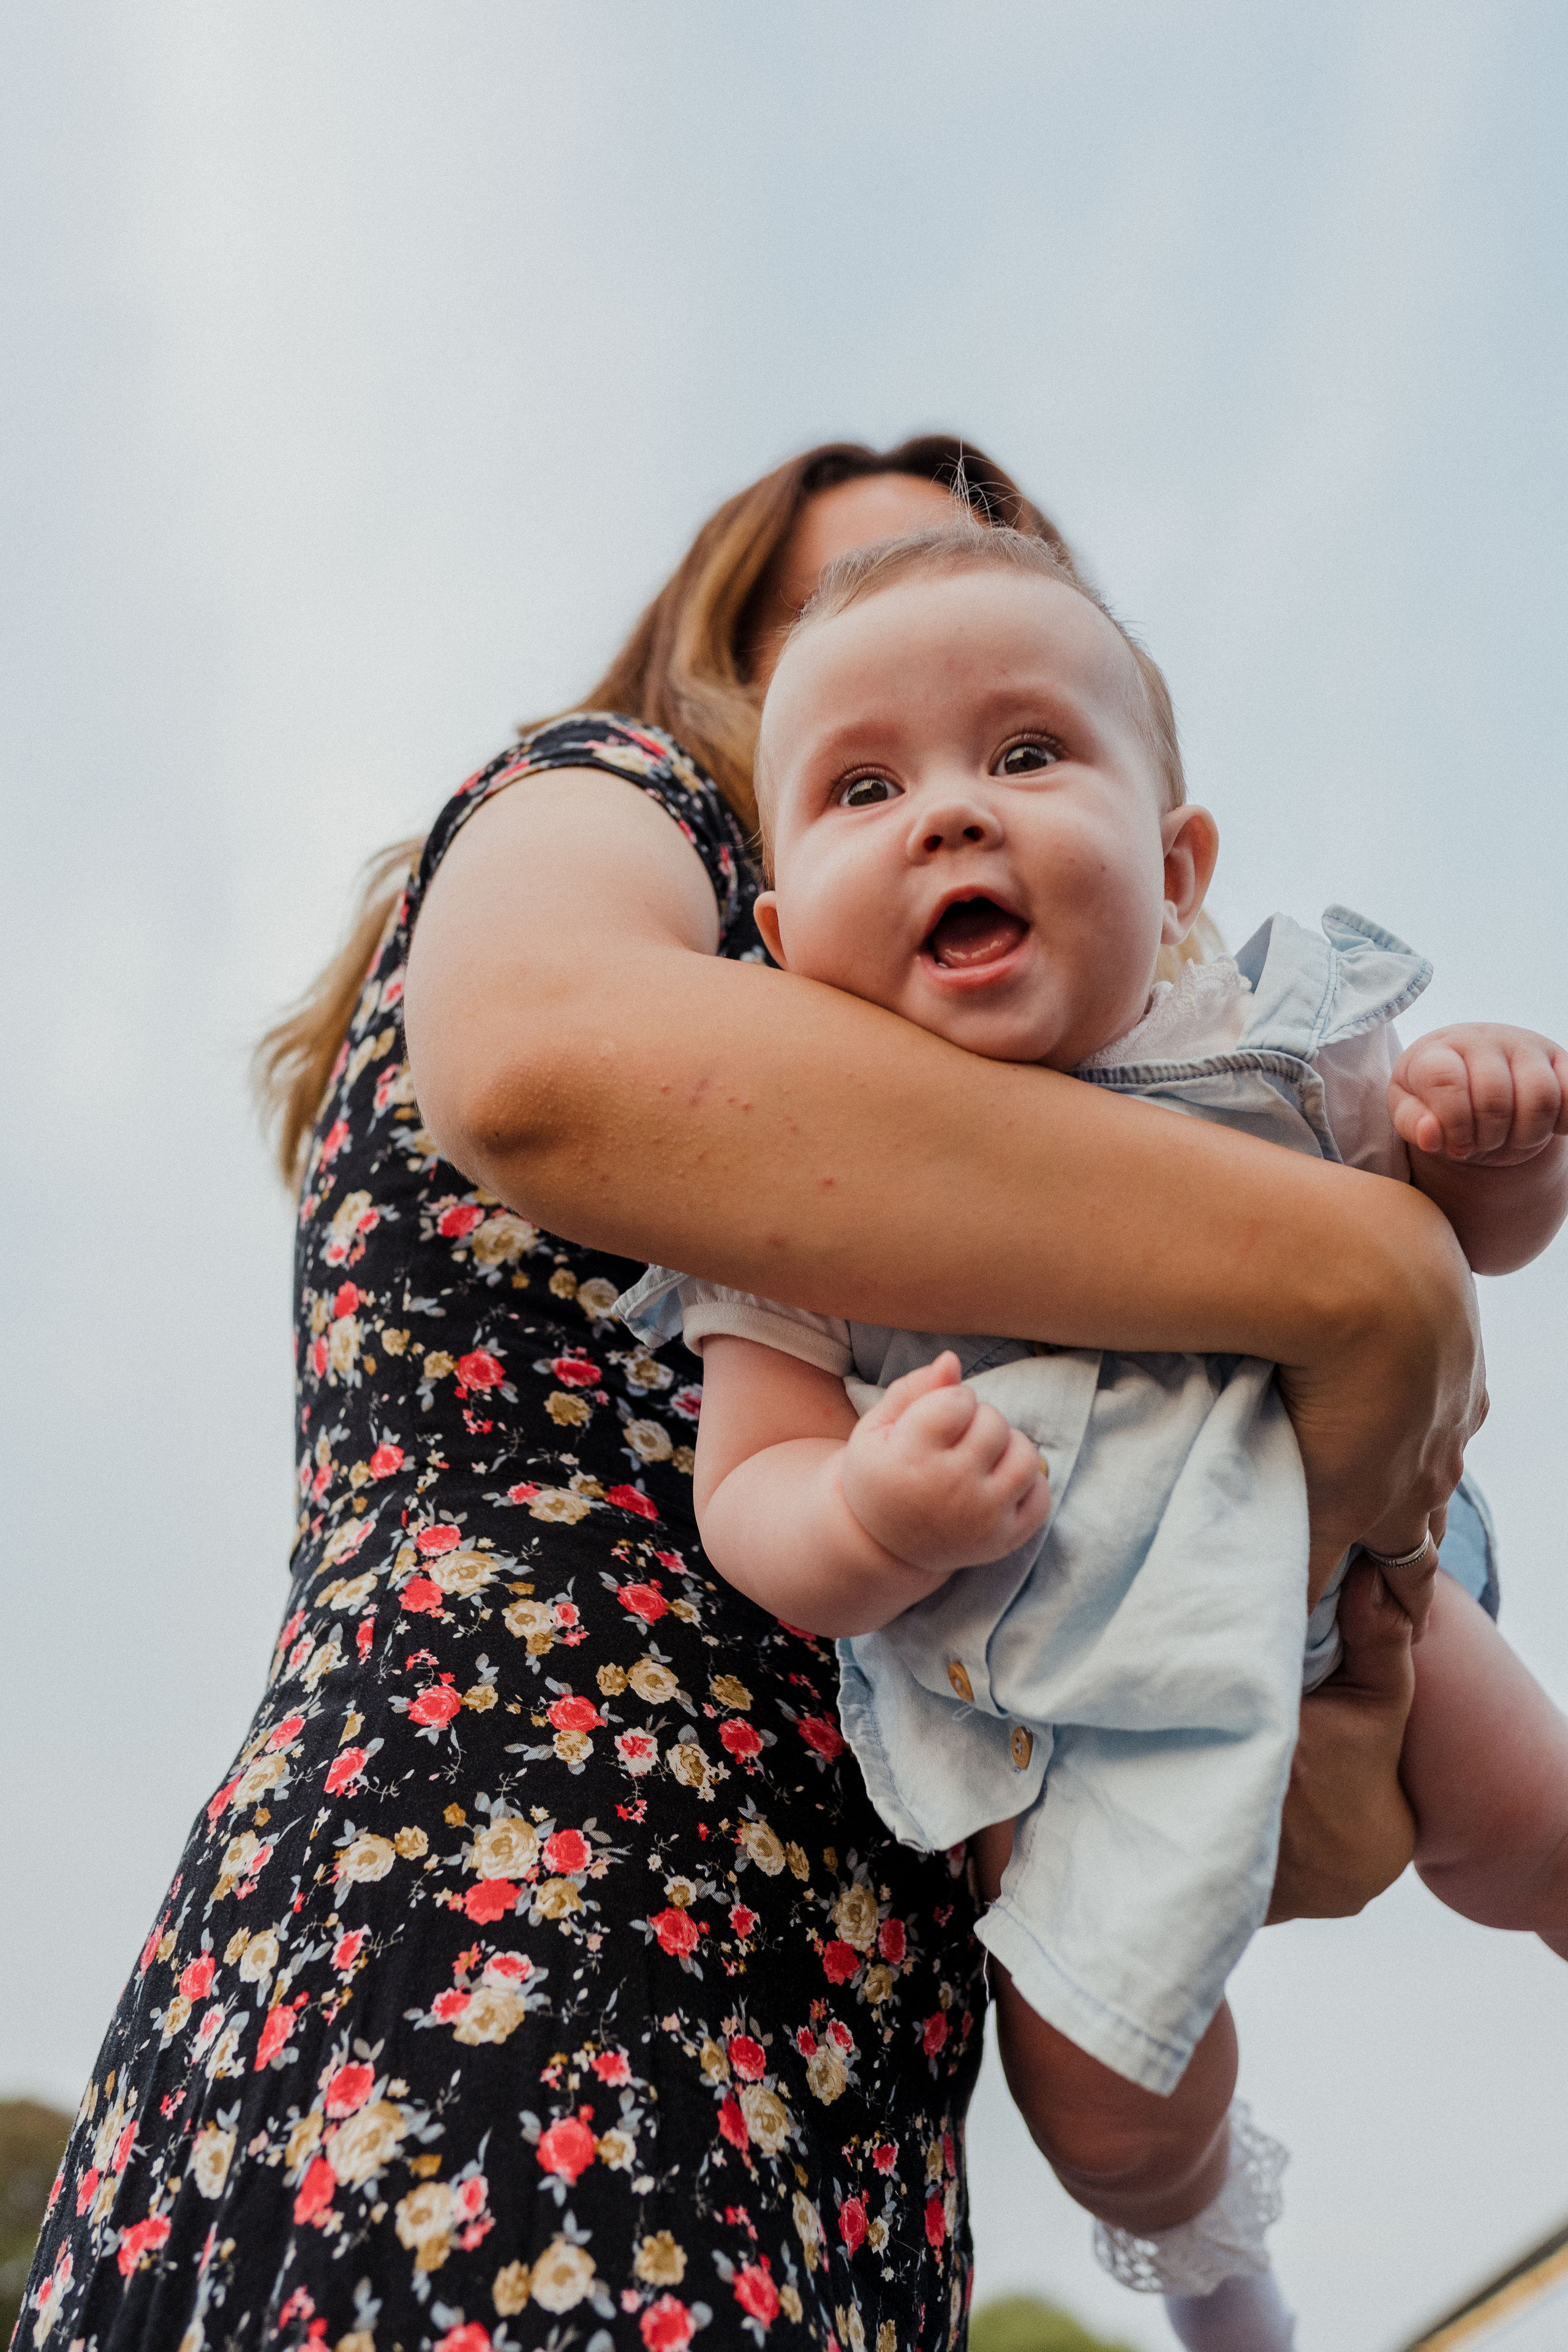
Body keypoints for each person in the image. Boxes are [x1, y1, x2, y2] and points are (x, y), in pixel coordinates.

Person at [20, 440, 1488, 2352]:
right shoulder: (621, 804)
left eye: (1021, 704)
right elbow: (542, 1059)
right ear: (722, 662)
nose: (946, 749)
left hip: (847, 2051)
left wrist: (1322, 1703)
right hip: (517, 1911)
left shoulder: (1062, 1082)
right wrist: (1362, 1275)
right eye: (856, 615)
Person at [617, 518, 1568, 2350]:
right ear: (785, 935)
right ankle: (1219, 2278)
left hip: (1330, 1564)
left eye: (1028, 755)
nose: (952, 815)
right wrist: (872, 1515)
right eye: (866, 783)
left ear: (1178, 859)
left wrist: (1495, 1151)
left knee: (1531, 1815)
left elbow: (1458, 1264)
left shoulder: (1259, 1044)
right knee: (1105, 2100)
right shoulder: (789, 1196)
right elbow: (751, 1490)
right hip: (1041, 1685)